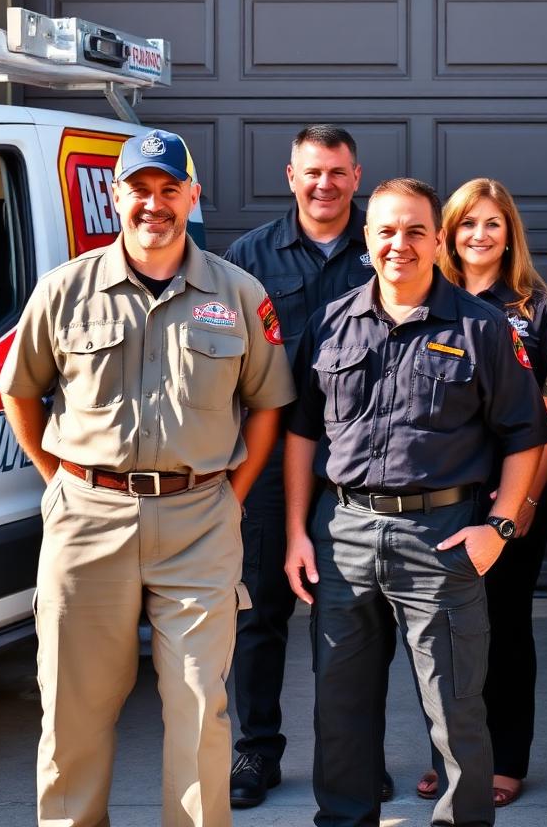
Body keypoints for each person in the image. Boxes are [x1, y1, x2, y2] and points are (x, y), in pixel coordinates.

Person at [0, 129, 296, 827]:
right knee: (72, 708)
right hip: (86, 520)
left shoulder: (239, 294)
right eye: (139, 189)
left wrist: (231, 496)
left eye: (169, 189)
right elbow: (20, 390)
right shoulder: (65, 290)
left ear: (193, 197)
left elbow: (267, 405)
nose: (153, 204)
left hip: (199, 523)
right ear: (115, 195)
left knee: (199, 708)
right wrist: (60, 481)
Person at [284, 177, 547, 827]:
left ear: (437, 241)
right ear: (367, 239)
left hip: (441, 535)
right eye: (386, 231)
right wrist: (297, 531)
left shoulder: (483, 327)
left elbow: (528, 435)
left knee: (455, 705)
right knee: (340, 704)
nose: (399, 244)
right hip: (343, 533)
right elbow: (301, 434)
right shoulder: (331, 322)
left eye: (415, 231)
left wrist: (499, 526)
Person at [222, 124, 385, 808]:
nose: (325, 184)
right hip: (268, 461)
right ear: (290, 176)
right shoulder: (249, 256)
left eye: (338, 172)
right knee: (259, 615)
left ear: (356, 176)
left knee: (356, 622)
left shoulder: (383, 245)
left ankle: (356, 759)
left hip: (360, 463)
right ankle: (255, 752)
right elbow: (227, 359)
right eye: (312, 172)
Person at [414, 178, 547, 808]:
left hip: (514, 495)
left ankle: (505, 759)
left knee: (504, 628)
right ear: (448, 234)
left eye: (493, 224)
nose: (480, 235)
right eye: (468, 223)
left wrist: (524, 499)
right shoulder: (426, 297)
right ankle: (448, 757)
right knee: (440, 632)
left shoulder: (539, 307)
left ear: (510, 235)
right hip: (446, 493)